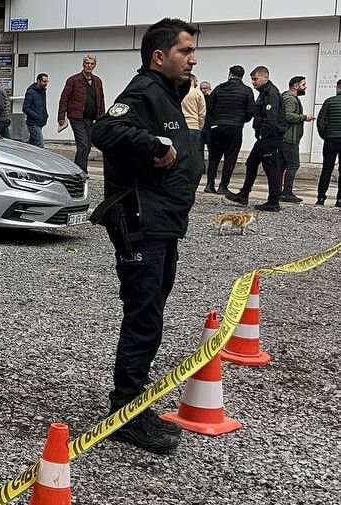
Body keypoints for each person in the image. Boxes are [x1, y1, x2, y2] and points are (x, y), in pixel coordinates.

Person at [90, 18, 202, 455]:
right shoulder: (145, 91)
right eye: (184, 51)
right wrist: (156, 143)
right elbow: (105, 129)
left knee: (150, 313)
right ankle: (126, 414)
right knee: (144, 316)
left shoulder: (168, 95)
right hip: (142, 223)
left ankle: (133, 405)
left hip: (163, 223)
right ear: (159, 56)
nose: (192, 59)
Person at [225, 66, 287, 212]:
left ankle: (273, 201)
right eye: (252, 79)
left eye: (255, 79)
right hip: (264, 137)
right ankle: (244, 195)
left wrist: (262, 134)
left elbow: (271, 119)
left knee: (271, 168)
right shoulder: (264, 92)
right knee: (251, 163)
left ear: (265, 77)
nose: (253, 82)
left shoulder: (271, 93)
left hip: (270, 137)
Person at [204, 66, 255, 193]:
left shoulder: (219, 88)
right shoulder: (246, 90)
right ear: (242, 76)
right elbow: (250, 111)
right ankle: (223, 186)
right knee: (230, 157)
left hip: (217, 127)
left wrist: (215, 120)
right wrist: (241, 120)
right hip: (235, 127)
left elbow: (209, 107)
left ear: (230, 74)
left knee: (214, 157)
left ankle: (210, 185)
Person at [59, 55, 105, 173]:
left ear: (94, 65)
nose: (89, 66)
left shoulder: (97, 81)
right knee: (83, 145)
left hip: (90, 119)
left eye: (91, 64)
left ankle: (76, 170)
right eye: (87, 63)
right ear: (83, 64)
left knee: (88, 146)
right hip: (76, 117)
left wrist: (102, 117)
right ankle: (82, 171)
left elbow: (101, 100)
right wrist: (61, 116)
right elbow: (64, 98)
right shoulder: (74, 80)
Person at [279, 76, 315, 203]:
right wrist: (304, 117)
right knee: (293, 165)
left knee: (282, 165)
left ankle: (278, 192)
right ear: (296, 86)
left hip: (285, 138)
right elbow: (287, 115)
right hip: (289, 138)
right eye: (303, 84)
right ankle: (287, 193)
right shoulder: (290, 99)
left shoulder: (288, 97)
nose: (305, 87)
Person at [316, 79, 341, 207]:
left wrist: (324, 135)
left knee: (326, 169)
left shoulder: (329, 101)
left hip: (330, 140)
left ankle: (321, 198)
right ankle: (339, 200)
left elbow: (320, 121)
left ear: (338, 88)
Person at [23, 73, 49, 148]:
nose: (46, 83)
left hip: (40, 121)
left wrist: (45, 115)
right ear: (38, 81)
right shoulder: (30, 92)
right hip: (33, 123)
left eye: (47, 81)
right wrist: (36, 116)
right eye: (44, 81)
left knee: (32, 143)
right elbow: (25, 108)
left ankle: (24, 155)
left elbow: (42, 105)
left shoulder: (43, 91)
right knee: (40, 144)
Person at [182, 73, 206, 153]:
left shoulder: (180, 91)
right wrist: (200, 126)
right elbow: (202, 112)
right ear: (192, 80)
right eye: (196, 81)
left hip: (182, 126)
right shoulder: (198, 93)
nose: (197, 83)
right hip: (194, 126)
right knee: (194, 154)